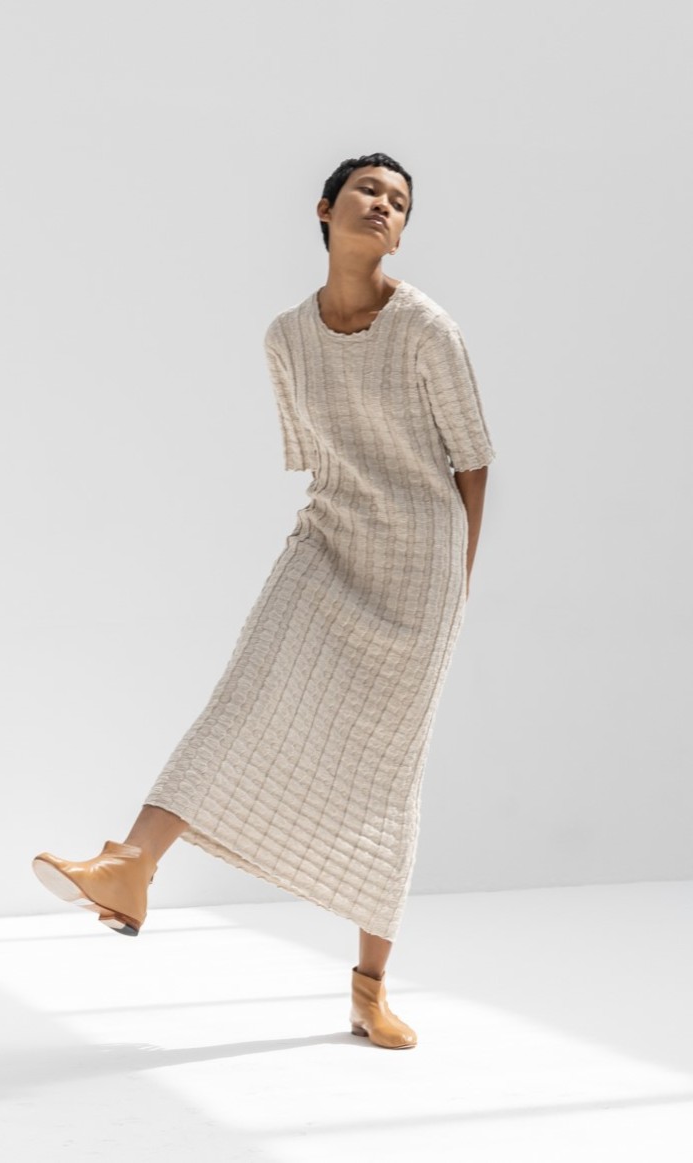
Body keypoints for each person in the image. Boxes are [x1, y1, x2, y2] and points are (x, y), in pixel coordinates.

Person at [33, 151, 496, 1051]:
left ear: (403, 232)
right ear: (325, 209)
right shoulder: (284, 337)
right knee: (245, 694)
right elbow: (319, 459)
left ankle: (369, 989)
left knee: (387, 773)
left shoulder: (427, 328)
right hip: (329, 540)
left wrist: (459, 581)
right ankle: (130, 866)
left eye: (400, 202)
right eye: (368, 190)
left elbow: (473, 460)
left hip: (423, 568)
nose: (384, 206)